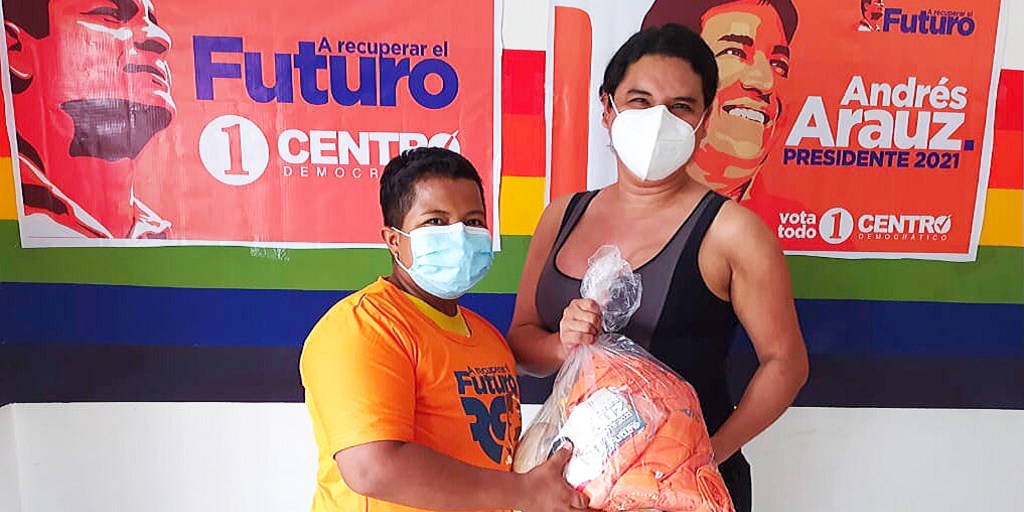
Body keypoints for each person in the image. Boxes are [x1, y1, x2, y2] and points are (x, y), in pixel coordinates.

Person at [509, 25, 808, 512]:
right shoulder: (562, 216)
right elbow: (522, 342)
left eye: (680, 107)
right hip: (568, 488)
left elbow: (786, 364)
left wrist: (703, 457)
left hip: (682, 492)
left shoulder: (731, 232)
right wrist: (563, 345)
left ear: (704, 122)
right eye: (640, 101)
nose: (657, 120)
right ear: (608, 109)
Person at [300, 147, 589, 512]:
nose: (460, 235)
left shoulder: (488, 339)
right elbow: (373, 469)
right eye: (436, 221)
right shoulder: (364, 327)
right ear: (393, 240)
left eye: (473, 221)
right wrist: (525, 492)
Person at [5, 0, 175, 239]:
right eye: (109, 13)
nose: (160, 39)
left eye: (153, 22)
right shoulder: (12, 210)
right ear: (15, 50)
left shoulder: (161, 235)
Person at [641, 0, 798, 201]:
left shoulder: (772, 221)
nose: (765, 81)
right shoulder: (609, 212)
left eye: (778, 64)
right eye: (735, 52)